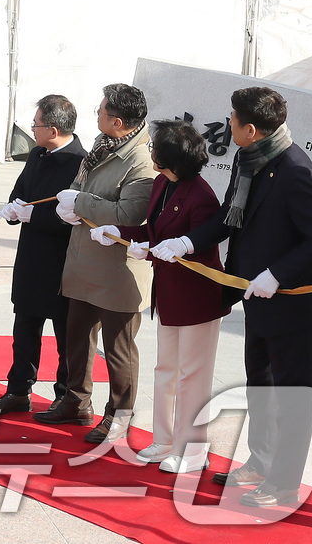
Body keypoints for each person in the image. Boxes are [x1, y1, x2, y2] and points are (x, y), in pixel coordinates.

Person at [156, 87, 312, 507]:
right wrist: (186, 241)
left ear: (251, 129)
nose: (229, 124)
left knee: (292, 396)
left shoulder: (294, 169)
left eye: (233, 119)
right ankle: (260, 462)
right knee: (261, 387)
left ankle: (284, 484)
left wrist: (277, 274)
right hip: (254, 296)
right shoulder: (249, 158)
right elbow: (228, 216)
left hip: (291, 302)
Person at [91, 119, 228, 474]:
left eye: (155, 149)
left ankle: (194, 450)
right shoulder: (161, 184)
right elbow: (153, 231)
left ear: (171, 159)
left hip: (198, 297)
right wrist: (119, 232)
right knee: (166, 369)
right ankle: (165, 439)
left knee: (192, 375)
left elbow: (200, 246)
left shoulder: (201, 195)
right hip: (168, 293)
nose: (150, 152)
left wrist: (153, 250)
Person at [36, 83, 155, 445]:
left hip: (118, 269)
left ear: (117, 121)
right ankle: (76, 400)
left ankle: (119, 416)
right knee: (77, 339)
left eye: (101, 110)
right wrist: (68, 204)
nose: (97, 114)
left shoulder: (140, 159)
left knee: (118, 349)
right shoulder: (104, 145)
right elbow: (80, 185)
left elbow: (130, 213)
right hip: (84, 261)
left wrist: (81, 202)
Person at [0, 95, 86, 414]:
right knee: (25, 326)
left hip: (62, 260)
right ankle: (18, 390)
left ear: (52, 129)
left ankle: (65, 394)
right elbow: (21, 190)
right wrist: (15, 207)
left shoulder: (80, 162)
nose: (32, 129)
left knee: (66, 334)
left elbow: (76, 217)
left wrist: (34, 216)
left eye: (36, 124)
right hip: (31, 256)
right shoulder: (38, 154)